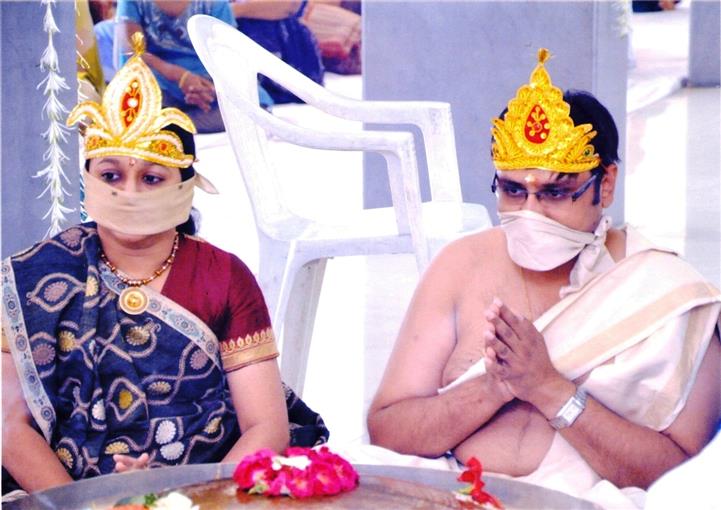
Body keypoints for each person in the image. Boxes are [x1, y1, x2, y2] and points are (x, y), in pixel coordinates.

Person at [366, 49, 721, 508]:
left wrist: (549, 389)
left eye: (555, 192)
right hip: (449, 494)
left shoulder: (669, 294)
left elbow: (685, 480)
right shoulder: (461, 266)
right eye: (513, 191)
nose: (531, 213)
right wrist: (493, 387)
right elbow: (388, 430)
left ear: (605, 184)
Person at [1, 33, 327, 497]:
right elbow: (8, 427)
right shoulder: (38, 278)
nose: (129, 193)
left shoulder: (223, 277)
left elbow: (265, 427)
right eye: (111, 175)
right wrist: (85, 506)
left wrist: (182, 502)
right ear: (88, 180)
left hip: (207, 488)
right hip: (65, 494)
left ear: (186, 187)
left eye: (152, 178)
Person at [114, 0, 273, 133]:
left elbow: (227, 55)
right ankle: (168, 124)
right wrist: (179, 76)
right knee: (135, 109)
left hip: (206, 83)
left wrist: (210, 88)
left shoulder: (215, 3)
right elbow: (132, 51)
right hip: (157, 79)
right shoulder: (132, 2)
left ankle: (172, 125)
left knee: (255, 110)